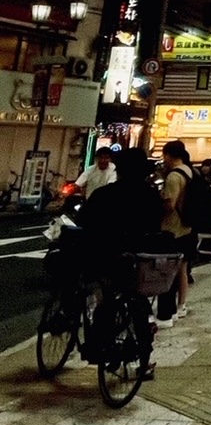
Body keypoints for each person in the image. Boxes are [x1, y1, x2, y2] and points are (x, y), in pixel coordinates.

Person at [76, 148, 166, 378]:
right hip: (138, 260)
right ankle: (144, 362)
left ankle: (99, 346)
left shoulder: (105, 195)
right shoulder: (151, 195)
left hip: (106, 258)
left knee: (105, 297)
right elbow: (157, 225)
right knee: (139, 304)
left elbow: (84, 221)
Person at [156, 140, 197, 329]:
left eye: (164, 156)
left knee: (168, 272)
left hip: (173, 228)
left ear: (168, 155)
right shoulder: (190, 171)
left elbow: (169, 205)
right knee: (182, 269)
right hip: (188, 227)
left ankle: (167, 313)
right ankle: (181, 306)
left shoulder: (174, 176)